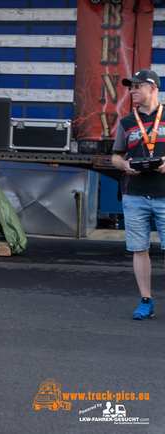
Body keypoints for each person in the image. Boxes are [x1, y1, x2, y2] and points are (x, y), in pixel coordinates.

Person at [112, 69, 165, 320]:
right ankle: (146, 301)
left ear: (153, 87)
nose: (131, 91)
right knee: (139, 249)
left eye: (136, 87)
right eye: (130, 87)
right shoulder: (126, 122)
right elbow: (115, 156)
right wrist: (125, 166)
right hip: (134, 195)